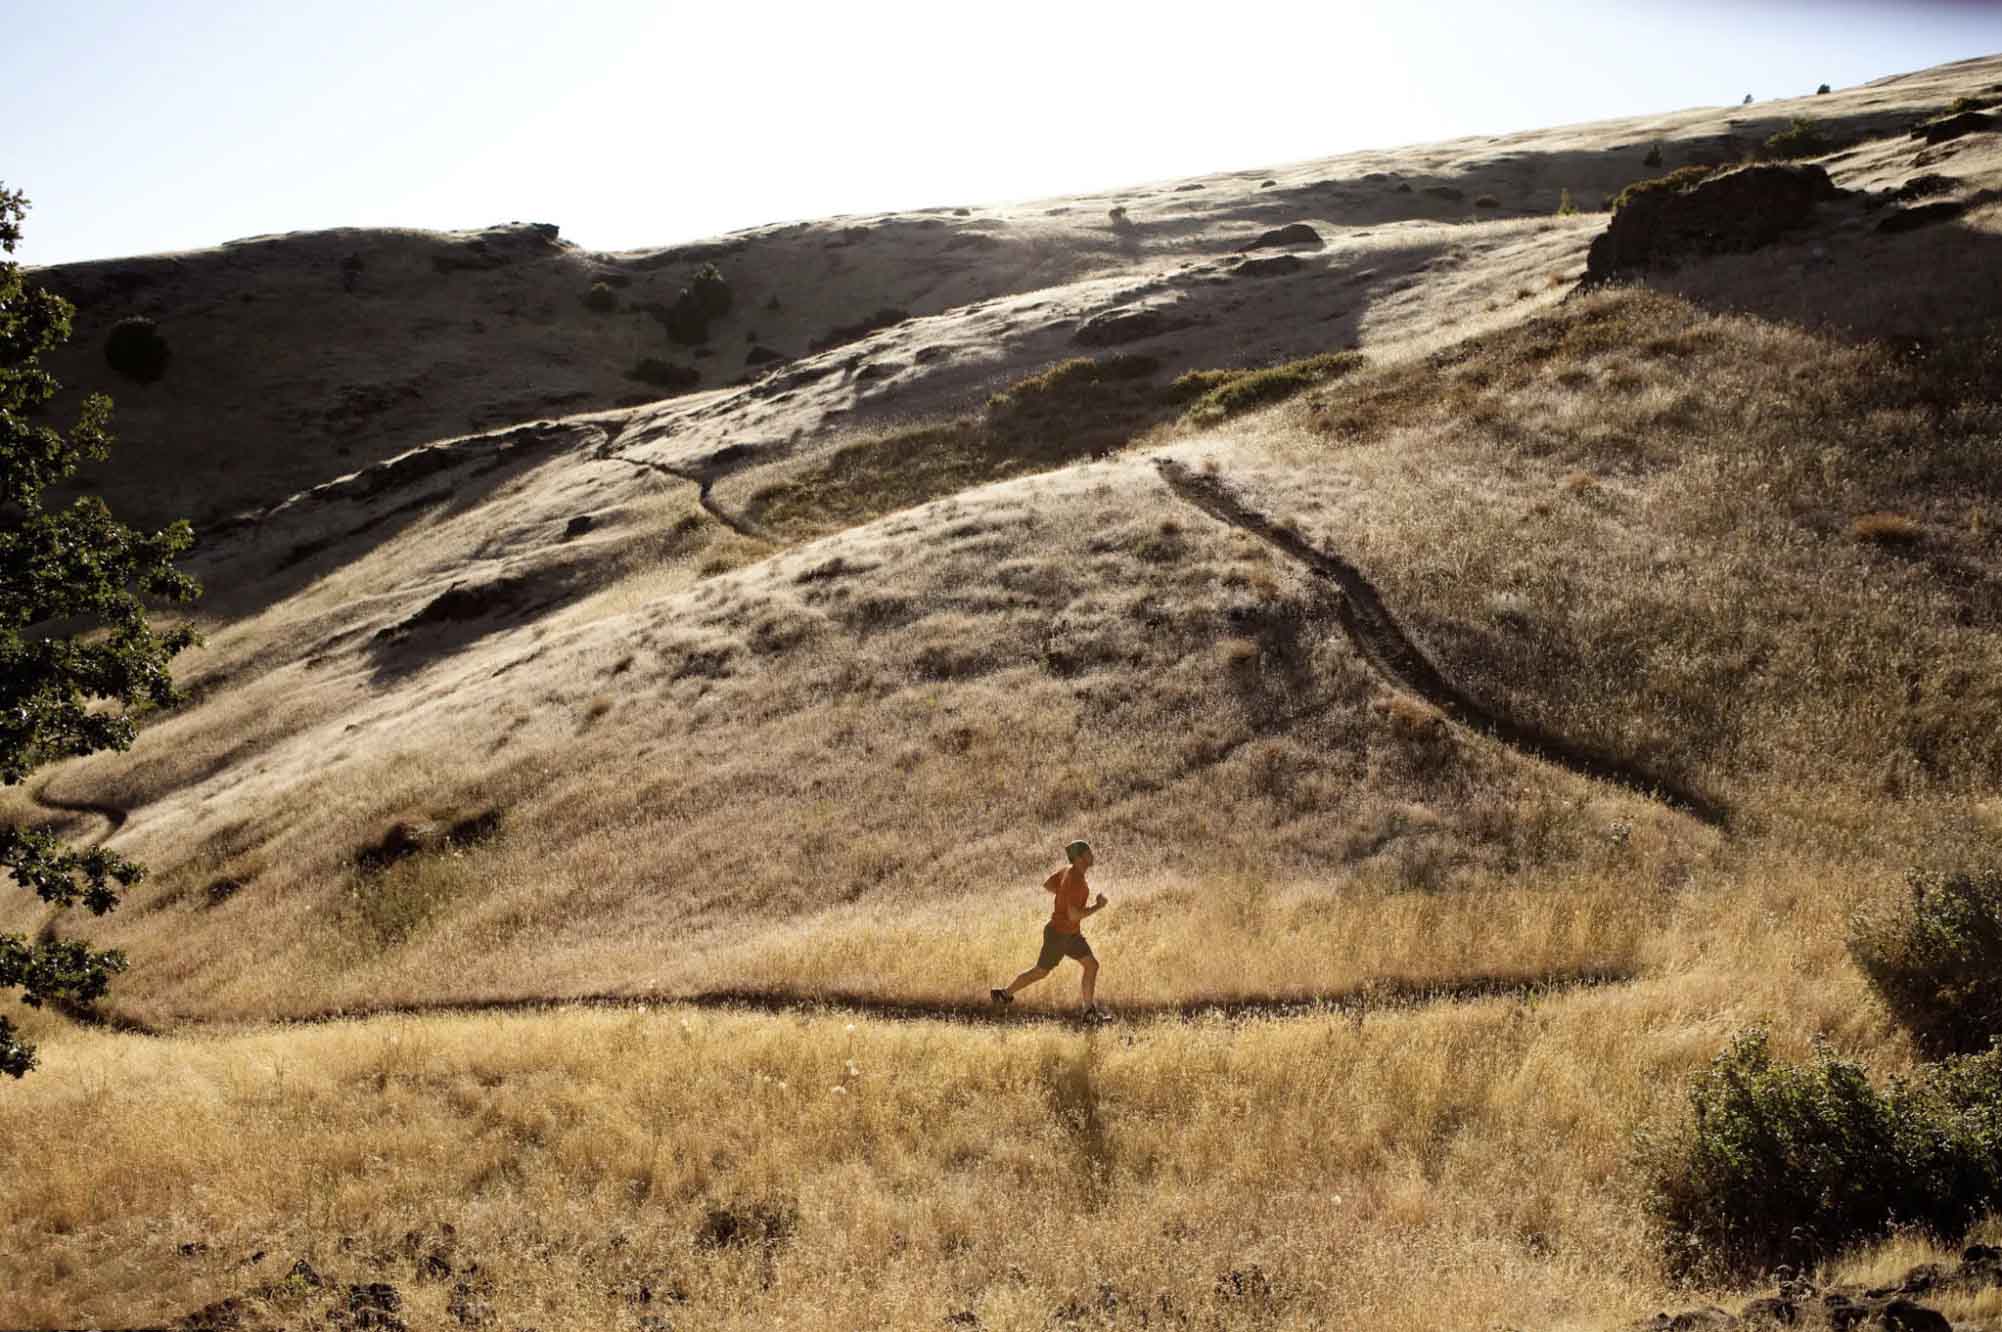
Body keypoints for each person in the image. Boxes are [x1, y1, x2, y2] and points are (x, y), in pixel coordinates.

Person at [991, 840, 1107, 1013]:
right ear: (1079, 858)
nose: (1092, 855)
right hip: (1059, 935)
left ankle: (1088, 1011)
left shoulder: (1067, 871)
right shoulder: (1075, 881)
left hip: (1071, 934)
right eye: (1088, 853)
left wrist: (1063, 895)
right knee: (1040, 972)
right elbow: (1074, 915)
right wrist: (1098, 906)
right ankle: (1004, 994)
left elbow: (1048, 885)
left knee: (1092, 965)